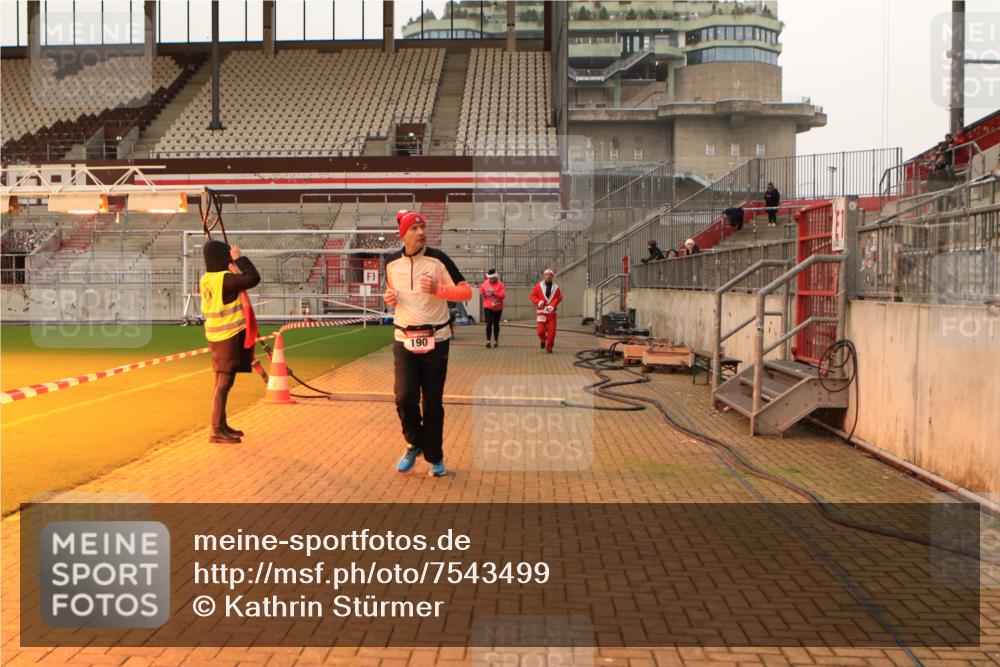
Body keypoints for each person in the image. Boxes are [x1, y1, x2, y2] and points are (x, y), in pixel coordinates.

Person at [384, 210, 472, 477]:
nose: (421, 232)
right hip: (404, 340)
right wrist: (389, 299)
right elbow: (392, 293)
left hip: (437, 340)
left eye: (422, 227)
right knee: (404, 398)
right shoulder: (391, 264)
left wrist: (438, 289)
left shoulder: (438, 259)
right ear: (403, 234)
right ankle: (414, 443)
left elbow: (466, 291)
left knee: (432, 404)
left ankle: (435, 457)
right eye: (414, 228)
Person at [200, 240, 260, 444]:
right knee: (224, 383)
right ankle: (216, 430)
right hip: (228, 335)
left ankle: (221, 424)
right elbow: (252, 278)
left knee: (220, 381)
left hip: (216, 335)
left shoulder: (207, 279)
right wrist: (238, 259)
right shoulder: (224, 280)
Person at [530, 268, 563, 353]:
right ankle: (543, 339)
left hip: (552, 313)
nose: (548, 276)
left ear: (552, 277)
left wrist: (553, 305)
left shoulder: (556, 288)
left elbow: (559, 297)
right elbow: (533, 296)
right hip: (541, 313)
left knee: (552, 333)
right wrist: (538, 302)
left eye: (550, 275)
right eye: (546, 275)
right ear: (543, 276)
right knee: (540, 331)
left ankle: (549, 347)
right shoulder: (538, 286)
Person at [479, 268, 506, 348]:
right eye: (490, 278)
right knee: (489, 323)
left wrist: (494, 294)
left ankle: (496, 340)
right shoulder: (485, 283)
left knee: (496, 324)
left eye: (493, 278)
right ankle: (488, 341)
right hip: (488, 306)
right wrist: (482, 295)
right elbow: (481, 291)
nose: (492, 279)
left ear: (496, 277)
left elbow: (503, 296)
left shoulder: (500, 284)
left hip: (498, 307)